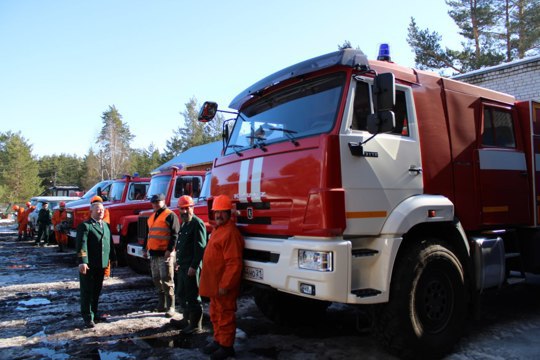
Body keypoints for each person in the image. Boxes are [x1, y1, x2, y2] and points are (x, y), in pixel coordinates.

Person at [199, 195, 244, 359]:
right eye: (216, 212)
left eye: (221, 212)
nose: (218, 215)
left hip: (223, 286)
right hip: (215, 285)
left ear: (228, 213)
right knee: (215, 313)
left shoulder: (230, 233)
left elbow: (234, 263)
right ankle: (218, 340)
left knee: (225, 314)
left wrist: (225, 285)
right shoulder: (219, 229)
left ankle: (226, 346)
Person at [76, 196, 116, 328]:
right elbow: (82, 245)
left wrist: (113, 258)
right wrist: (82, 261)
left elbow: (109, 244)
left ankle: (94, 313)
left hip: (101, 264)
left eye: (102, 210)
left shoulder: (105, 225)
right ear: (91, 211)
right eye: (98, 210)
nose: (101, 212)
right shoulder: (85, 226)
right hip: (89, 265)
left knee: (97, 290)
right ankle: (87, 316)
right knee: (87, 291)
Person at [170, 195, 207, 334]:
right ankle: (186, 320)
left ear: (192, 208)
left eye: (187, 208)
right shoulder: (184, 223)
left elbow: (200, 247)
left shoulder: (197, 223)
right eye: (182, 209)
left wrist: (194, 266)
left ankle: (196, 325)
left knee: (193, 296)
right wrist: (177, 262)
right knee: (181, 293)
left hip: (191, 267)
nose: (184, 212)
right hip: (183, 266)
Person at [142, 193, 180, 318]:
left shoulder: (170, 215)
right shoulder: (152, 217)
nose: (155, 204)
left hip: (165, 254)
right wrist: (144, 248)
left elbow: (175, 234)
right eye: (153, 202)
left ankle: (171, 306)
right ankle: (161, 304)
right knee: (156, 279)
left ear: (164, 202)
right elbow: (149, 234)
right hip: (153, 253)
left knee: (167, 279)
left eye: (158, 202)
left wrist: (170, 250)